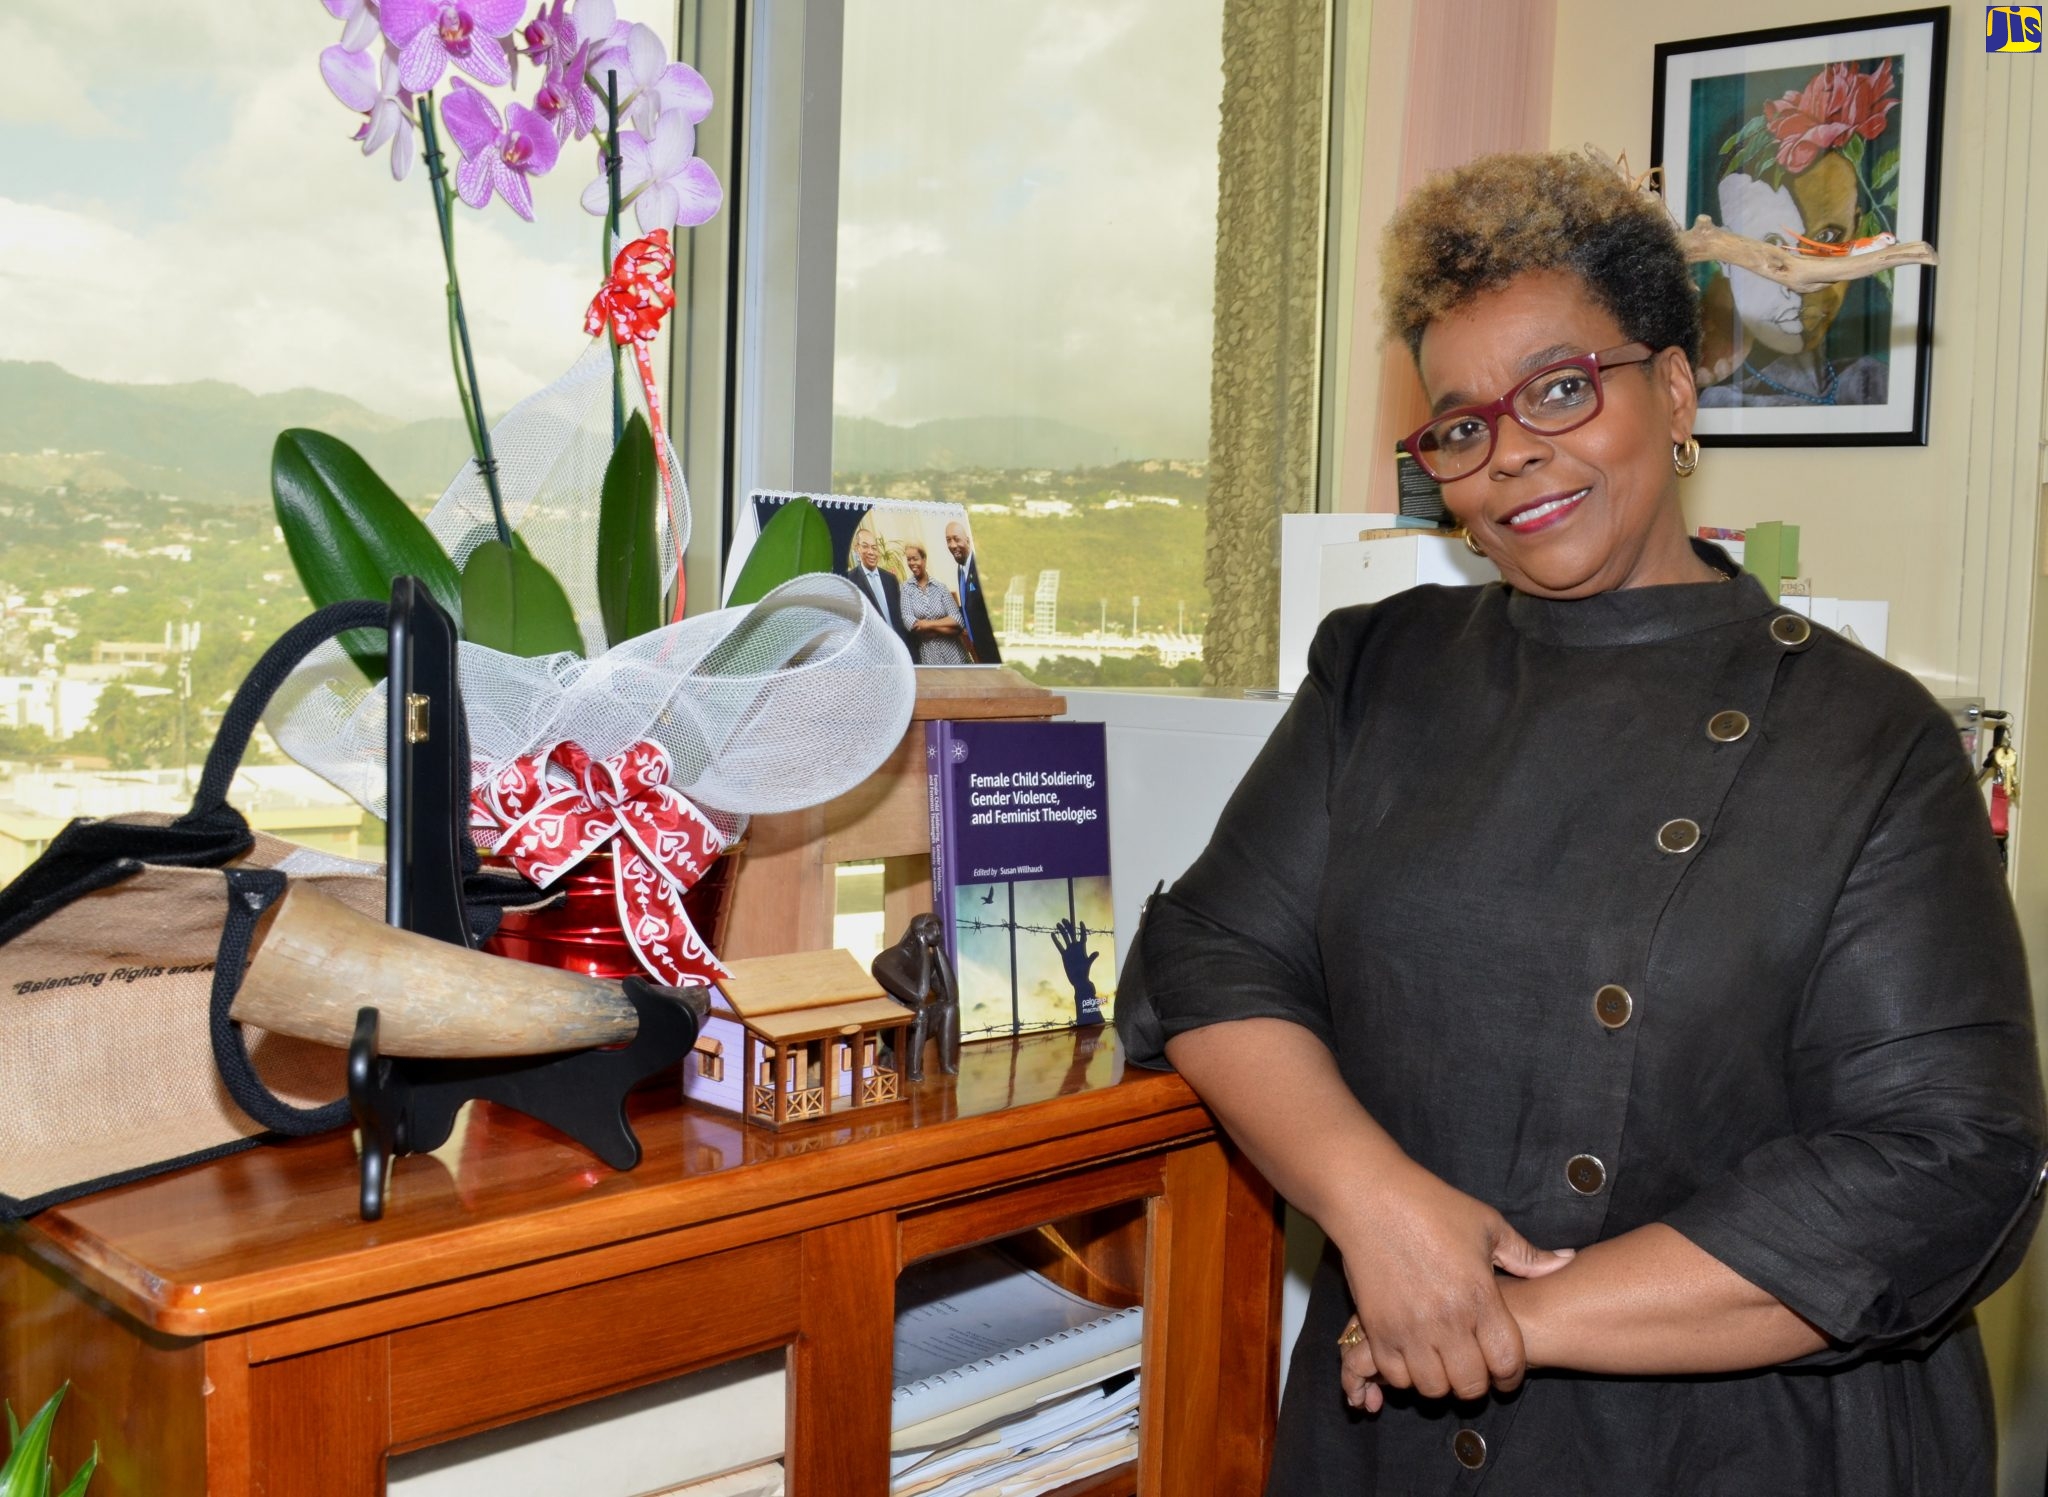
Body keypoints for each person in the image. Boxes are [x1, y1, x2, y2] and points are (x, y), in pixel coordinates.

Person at [1120, 150, 2046, 1493]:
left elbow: (1942, 1163)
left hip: (1738, 1450)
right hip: (1399, 1441)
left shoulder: (1872, 737)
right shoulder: (1380, 669)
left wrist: (1496, 1317)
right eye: (1461, 424)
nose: (1513, 455)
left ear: (1673, 389)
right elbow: (1211, 954)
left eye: (1562, 387)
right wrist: (1378, 1207)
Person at [897, 542, 971, 665]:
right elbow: (909, 622)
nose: (912, 563)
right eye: (909, 560)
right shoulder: (905, 589)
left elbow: (958, 620)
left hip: (954, 653)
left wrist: (926, 624)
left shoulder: (940, 587)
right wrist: (948, 628)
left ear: (924, 559)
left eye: (915, 559)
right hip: (929, 656)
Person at [843, 528, 910, 653]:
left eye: (874, 548)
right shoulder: (849, 581)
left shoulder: (890, 579)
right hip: (873, 651)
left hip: (898, 648)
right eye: (865, 547)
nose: (871, 552)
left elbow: (899, 617)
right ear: (857, 548)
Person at [943, 519, 1001, 663]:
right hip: (979, 649)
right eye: (948, 540)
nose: (952, 545)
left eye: (957, 539)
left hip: (993, 650)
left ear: (967, 540)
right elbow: (970, 608)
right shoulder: (960, 569)